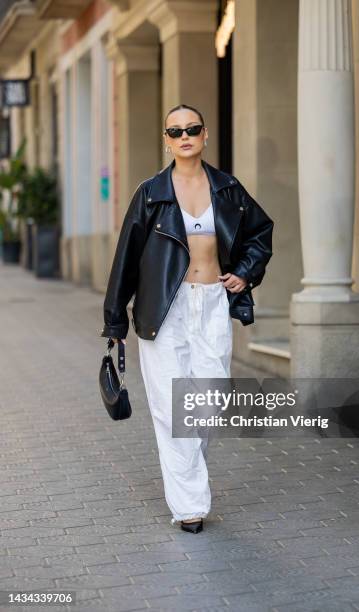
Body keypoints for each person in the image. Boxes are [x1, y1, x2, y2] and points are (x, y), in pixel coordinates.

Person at [101, 103, 274, 533]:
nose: (184, 136)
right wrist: (115, 323)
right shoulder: (150, 193)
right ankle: (189, 506)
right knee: (168, 408)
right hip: (163, 308)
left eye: (192, 129)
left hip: (212, 301)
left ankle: (189, 485)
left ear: (205, 134)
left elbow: (261, 232)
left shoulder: (228, 189)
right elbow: (126, 259)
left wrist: (245, 273)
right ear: (166, 139)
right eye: (175, 131)